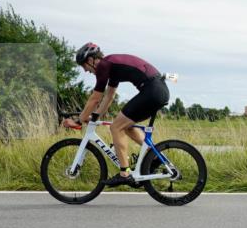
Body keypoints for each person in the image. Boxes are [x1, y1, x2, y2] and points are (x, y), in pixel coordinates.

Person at [64, 43, 170, 187]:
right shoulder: (111, 66)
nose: (86, 71)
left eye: (84, 66)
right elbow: (109, 96)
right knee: (125, 126)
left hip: (152, 91)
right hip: (157, 90)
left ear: (90, 60)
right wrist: (96, 116)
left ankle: (124, 173)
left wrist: (80, 119)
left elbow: (95, 98)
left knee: (116, 127)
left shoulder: (103, 66)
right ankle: (154, 155)